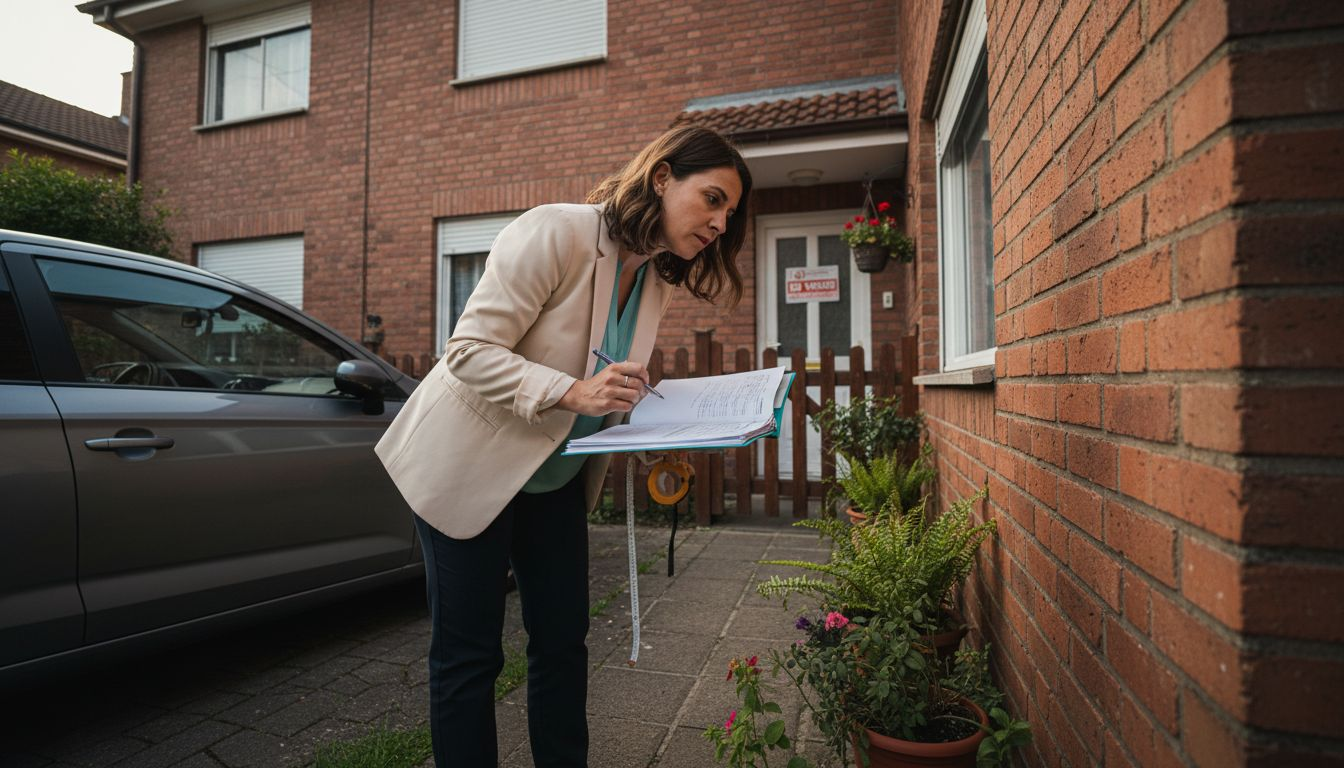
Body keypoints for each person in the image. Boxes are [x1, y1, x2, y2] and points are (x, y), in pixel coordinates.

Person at [374, 125, 752, 767]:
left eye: (730, 213)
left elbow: (604, 385)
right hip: (468, 467)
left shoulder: (655, 278)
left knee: (563, 643)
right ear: (662, 177)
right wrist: (575, 392)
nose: (720, 223)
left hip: (553, 479)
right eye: (712, 199)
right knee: (470, 655)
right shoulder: (557, 231)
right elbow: (468, 352)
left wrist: (662, 429)